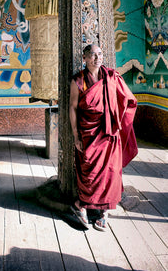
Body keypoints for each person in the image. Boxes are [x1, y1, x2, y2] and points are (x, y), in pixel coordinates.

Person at [69, 44, 138, 231]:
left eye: (100, 54)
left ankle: (104, 213)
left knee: (111, 173)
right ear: (84, 58)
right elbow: (73, 108)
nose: (97, 58)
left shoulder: (111, 77)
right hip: (89, 133)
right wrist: (76, 135)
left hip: (109, 133)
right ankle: (80, 205)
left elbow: (128, 99)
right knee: (89, 172)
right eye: (92, 55)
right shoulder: (78, 81)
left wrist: (118, 118)